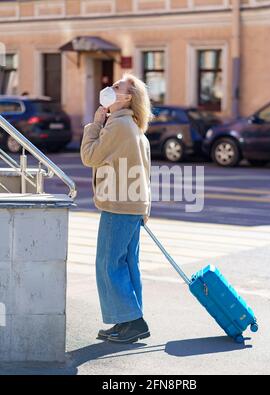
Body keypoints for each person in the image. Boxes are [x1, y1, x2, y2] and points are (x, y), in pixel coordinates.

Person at [80, 74, 152, 344]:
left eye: (117, 87)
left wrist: (95, 124)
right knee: (127, 263)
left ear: (127, 98)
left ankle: (132, 322)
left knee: (109, 264)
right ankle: (128, 321)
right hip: (133, 205)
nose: (110, 88)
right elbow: (146, 172)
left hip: (118, 204)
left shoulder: (118, 126)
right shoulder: (133, 127)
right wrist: (146, 209)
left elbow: (90, 156)